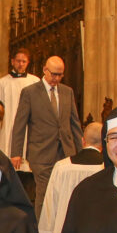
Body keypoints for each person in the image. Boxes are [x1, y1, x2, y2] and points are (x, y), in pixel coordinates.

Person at [9, 55, 83, 219]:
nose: (56, 78)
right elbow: (20, 124)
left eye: (60, 75)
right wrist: (16, 152)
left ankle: (57, 231)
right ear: (45, 70)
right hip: (41, 152)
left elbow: (74, 123)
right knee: (44, 192)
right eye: (54, 74)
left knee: (64, 193)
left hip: (65, 151)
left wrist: (81, 151)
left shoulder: (67, 92)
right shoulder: (30, 92)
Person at [38, 122, 104, 233]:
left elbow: (51, 202)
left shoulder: (62, 166)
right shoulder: (106, 168)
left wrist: (47, 231)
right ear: (104, 144)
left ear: (82, 141)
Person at [0, 47, 40, 185]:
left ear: (28, 63)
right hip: (7, 129)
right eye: (18, 61)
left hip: (28, 130)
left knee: (27, 173)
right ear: (12, 61)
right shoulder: (2, 83)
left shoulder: (35, 82)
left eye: (24, 61)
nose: (21, 64)